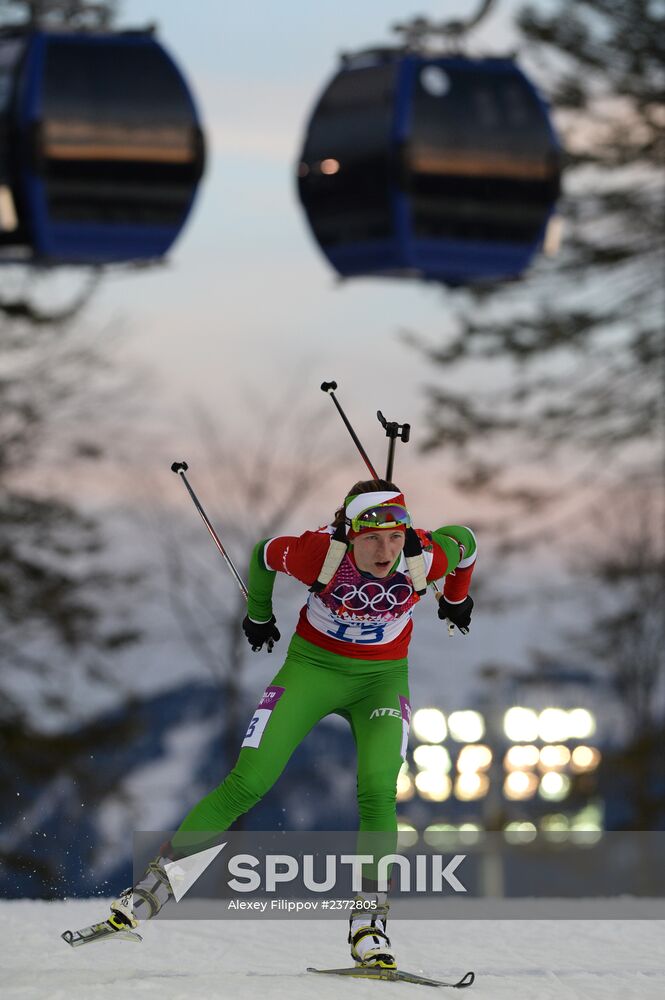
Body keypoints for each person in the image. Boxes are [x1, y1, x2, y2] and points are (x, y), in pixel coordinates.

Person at [77, 480, 476, 968]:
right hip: (312, 670)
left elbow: (466, 543)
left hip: (382, 681)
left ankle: (369, 925)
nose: (384, 550)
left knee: (378, 790)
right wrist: (259, 615)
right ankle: (153, 890)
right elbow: (265, 554)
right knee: (249, 782)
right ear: (350, 534)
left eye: (395, 537)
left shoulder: (424, 558)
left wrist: (456, 596)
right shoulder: (317, 553)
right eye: (371, 538)